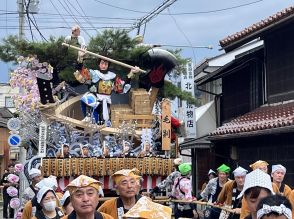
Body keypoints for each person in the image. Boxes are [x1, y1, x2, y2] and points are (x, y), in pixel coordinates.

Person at [75, 51, 140, 124]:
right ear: (99, 64)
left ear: (108, 65)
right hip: (94, 99)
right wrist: (80, 57)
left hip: (106, 102)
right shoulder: (94, 74)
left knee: (101, 121)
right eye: (102, 63)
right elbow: (81, 72)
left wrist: (132, 73)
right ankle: (88, 116)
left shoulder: (113, 76)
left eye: (106, 64)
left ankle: (101, 124)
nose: (103, 66)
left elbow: (122, 87)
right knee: (86, 98)